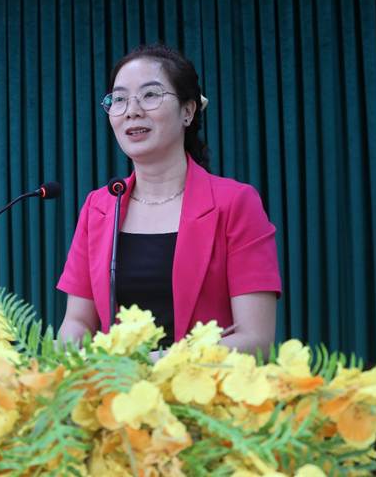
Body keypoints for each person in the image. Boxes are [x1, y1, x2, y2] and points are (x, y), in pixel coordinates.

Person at [56, 44, 281, 356]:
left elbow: (256, 340)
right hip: (116, 386)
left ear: (187, 111)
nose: (132, 110)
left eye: (150, 95)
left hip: (205, 385)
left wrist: (152, 364)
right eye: (119, 99)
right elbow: (77, 321)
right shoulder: (100, 206)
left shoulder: (235, 203)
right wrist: (69, 357)